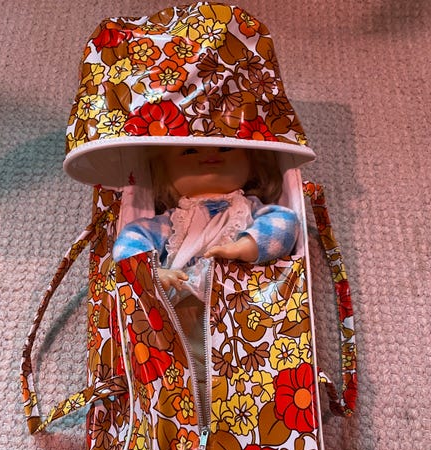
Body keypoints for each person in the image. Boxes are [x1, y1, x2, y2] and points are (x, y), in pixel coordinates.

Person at [112, 145, 300, 412]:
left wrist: (243, 247)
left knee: (240, 375)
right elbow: (129, 241)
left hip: (240, 314)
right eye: (189, 151)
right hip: (182, 310)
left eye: (225, 147)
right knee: (181, 371)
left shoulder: (250, 210)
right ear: (163, 172)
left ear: (250, 159)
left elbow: (285, 225)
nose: (209, 155)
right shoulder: (169, 222)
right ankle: (185, 415)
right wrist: (153, 272)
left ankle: (234, 410)